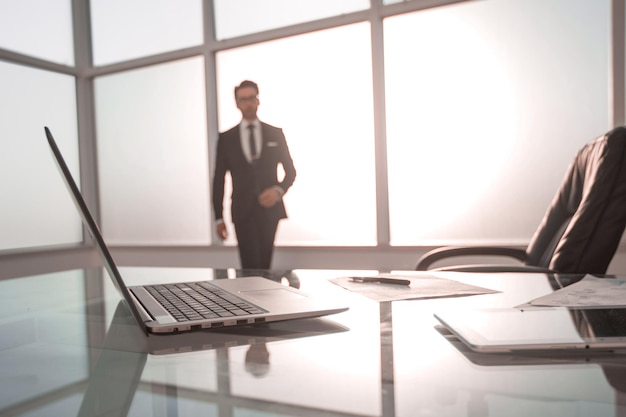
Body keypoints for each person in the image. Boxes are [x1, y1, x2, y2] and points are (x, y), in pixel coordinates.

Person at [212, 80, 296, 270]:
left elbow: (290, 172)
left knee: (265, 264)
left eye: (252, 98)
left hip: (270, 210)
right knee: (249, 267)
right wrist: (218, 217)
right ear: (237, 103)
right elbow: (219, 179)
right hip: (242, 211)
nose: (248, 103)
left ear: (258, 100)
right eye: (243, 99)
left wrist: (278, 190)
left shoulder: (275, 133)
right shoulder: (226, 139)